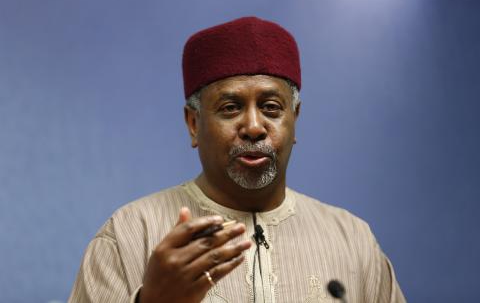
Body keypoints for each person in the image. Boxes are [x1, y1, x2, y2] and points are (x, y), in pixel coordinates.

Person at [69, 16, 405, 303]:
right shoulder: (129, 234)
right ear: (193, 124)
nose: (254, 127)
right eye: (230, 108)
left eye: (271, 107)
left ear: (295, 119)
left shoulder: (352, 241)